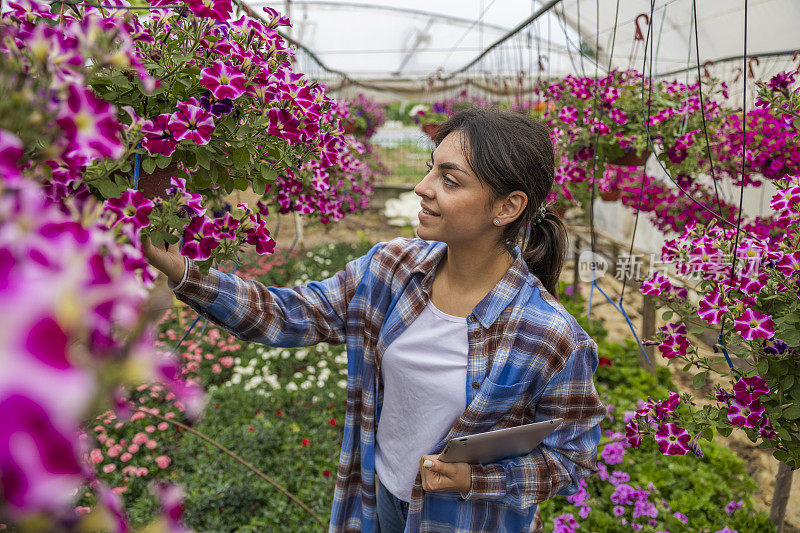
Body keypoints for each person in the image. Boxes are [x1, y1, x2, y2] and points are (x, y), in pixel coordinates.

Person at [143, 108, 605, 533]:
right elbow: (289, 315)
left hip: (465, 519)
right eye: (431, 168)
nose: (423, 187)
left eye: (450, 179)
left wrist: (472, 478)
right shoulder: (392, 269)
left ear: (507, 207)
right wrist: (181, 269)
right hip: (380, 497)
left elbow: (571, 460)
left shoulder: (551, 336)